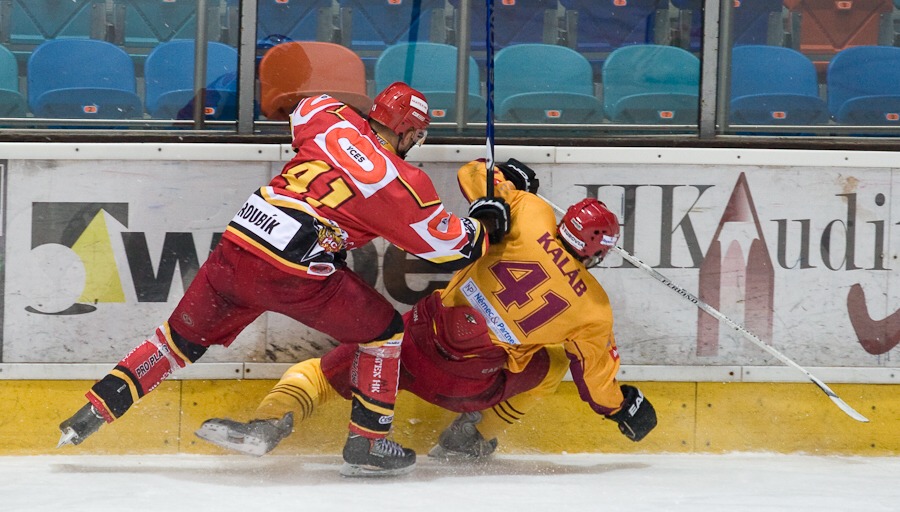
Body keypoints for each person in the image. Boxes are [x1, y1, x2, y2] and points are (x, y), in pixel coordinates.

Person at [57, 82, 512, 477]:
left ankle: (90, 413)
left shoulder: (327, 115)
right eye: (417, 135)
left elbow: (299, 109)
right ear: (410, 132)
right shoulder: (401, 182)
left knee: (175, 342)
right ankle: (368, 443)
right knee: (385, 332)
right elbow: (447, 246)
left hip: (238, 247)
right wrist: (486, 222)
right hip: (294, 272)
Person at [195, 158, 658, 460]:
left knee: (318, 373)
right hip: (470, 386)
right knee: (554, 363)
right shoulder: (594, 309)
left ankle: (268, 426)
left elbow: (473, 173)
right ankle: (469, 437)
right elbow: (595, 381)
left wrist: (508, 182)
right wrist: (621, 408)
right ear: (599, 252)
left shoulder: (533, 212)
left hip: (413, 348)